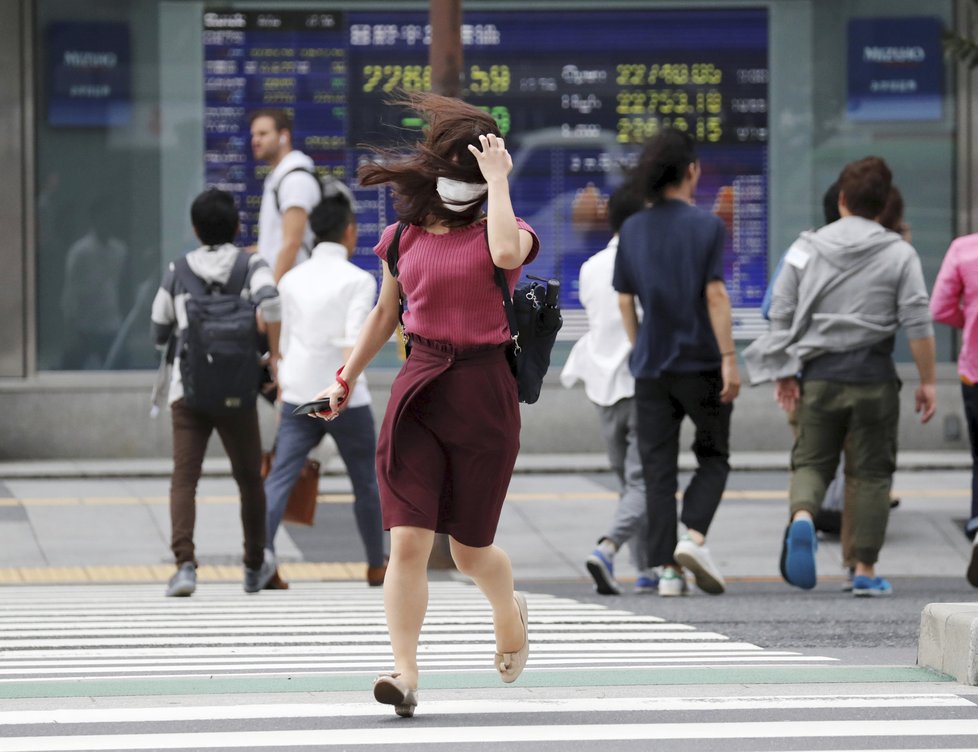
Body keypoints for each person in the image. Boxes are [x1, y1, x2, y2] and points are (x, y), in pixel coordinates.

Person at [311, 93, 537, 717]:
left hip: (485, 392)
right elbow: (388, 313)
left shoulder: (509, 227)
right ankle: (404, 673)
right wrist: (346, 378)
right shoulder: (401, 237)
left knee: (468, 549)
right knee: (407, 542)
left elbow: (504, 257)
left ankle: (506, 608)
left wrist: (497, 184)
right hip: (420, 384)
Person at [744, 156, 936, 597]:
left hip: (819, 374)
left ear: (843, 199)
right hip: (874, 375)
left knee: (812, 462)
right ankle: (865, 569)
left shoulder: (803, 248)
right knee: (870, 473)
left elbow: (782, 315)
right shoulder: (899, 252)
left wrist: (785, 371)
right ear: (883, 203)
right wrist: (928, 381)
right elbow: (918, 321)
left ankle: (803, 519)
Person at [613, 128, 741, 597]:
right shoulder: (707, 227)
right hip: (702, 361)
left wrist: (640, 344)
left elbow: (625, 300)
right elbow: (715, 294)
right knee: (714, 456)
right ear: (691, 171)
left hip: (652, 369)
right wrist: (730, 358)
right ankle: (695, 536)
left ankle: (667, 570)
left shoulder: (632, 228)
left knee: (657, 471)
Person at [150, 188, 281, 597]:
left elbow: (158, 329)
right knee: (248, 479)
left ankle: (185, 566)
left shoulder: (178, 268)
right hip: (237, 390)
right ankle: (253, 566)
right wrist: (274, 356)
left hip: (187, 391)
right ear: (237, 227)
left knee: (185, 478)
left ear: (195, 228)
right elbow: (273, 304)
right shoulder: (250, 264)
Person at [262, 190, 387, 589]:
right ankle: (375, 564)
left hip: (299, 390)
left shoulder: (292, 279)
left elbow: (285, 339)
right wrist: (343, 385)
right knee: (365, 481)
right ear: (349, 232)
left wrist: (282, 381)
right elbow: (354, 339)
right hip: (345, 395)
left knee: (280, 477)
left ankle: (259, 559)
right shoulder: (358, 280)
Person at [561, 184, 657, 595]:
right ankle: (607, 547)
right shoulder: (649, 261)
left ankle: (647, 569)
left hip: (601, 388)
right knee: (645, 481)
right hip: (641, 384)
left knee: (631, 483)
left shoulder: (590, 267)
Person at [930, 226, 978, 586]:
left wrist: (970, 321)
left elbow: (940, 307)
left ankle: (977, 521)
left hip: (974, 373)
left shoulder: (964, 249)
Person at [249, 108, 322, 282]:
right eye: (254, 135)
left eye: (263, 134)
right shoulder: (278, 178)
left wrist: (272, 293)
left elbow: (292, 243)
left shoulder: (295, 180)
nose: (255, 140)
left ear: (284, 136)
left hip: (295, 290)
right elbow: (272, 244)